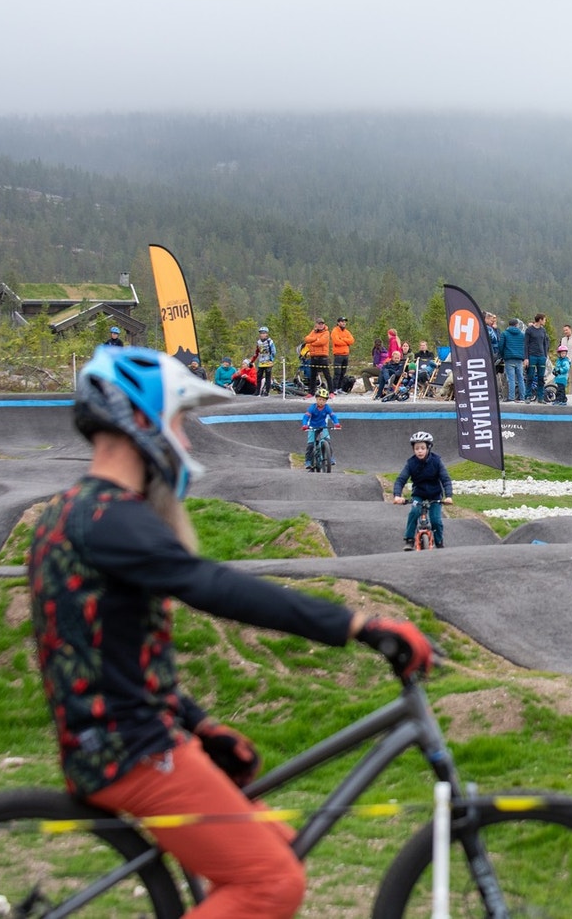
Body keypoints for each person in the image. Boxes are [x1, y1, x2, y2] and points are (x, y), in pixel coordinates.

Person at [27, 346, 431, 918]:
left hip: (123, 736)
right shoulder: (111, 520)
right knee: (271, 885)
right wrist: (358, 625)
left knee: (273, 849)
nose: (186, 443)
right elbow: (217, 588)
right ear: (140, 421)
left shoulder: (73, 513)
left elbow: (111, 655)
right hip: (131, 751)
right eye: (179, 424)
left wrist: (199, 726)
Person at [392, 430, 454, 549]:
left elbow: (445, 479)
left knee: (436, 520)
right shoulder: (411, 463)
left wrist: (449, 496)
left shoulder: (436, 462)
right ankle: (409, 540)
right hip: (419, 494)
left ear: (428, 448)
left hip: (435, 495)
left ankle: (439, 543)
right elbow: (400, 480)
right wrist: (397, 495)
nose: (419, 451)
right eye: (416, 448)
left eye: (422, 448)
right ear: (413, 450)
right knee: (414, 512)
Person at [299, 386, 339, 471]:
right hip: (312, 427)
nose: (321, 402)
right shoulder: (312, 408)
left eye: (324, 400)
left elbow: (333, 416)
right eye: (320, 399)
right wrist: (304, 425)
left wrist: (336, 423)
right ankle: (308, 461)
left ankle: (330, 458)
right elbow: (306, 417)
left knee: (327, 441)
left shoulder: (327, 407)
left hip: (323, 427)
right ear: (316, 399)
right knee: (310, 445)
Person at [498, 318, 527, 402]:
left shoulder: (504, 334)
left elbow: (501, 346)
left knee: (511, 379)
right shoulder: (522, 335)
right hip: (519, 359)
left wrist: (503, 355)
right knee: (520, 378)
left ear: (509, 324)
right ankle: (522, 397)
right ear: (517, 325)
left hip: (509, 358)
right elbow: (524, 346)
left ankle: (511, 397)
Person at [524, 313, 550, 403]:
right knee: (530, 376)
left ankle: (540, 397)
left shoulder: (543, 330)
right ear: (540, 320)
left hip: (541, 357)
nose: (545, 321)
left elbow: (545, 343)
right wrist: (526, 358)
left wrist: (545, 355)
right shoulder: (529, 330)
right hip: (532, 356)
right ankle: (527, 396)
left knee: (541, 378)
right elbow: (526, 344)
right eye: (544, 319)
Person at [301, 319, 331, 395]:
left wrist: (312, 343)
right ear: (316, 325)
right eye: (319, 324)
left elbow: (322, 342)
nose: (321, 325)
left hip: (323, 356)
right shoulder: (313, 332)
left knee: (327, 375)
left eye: (322, 324)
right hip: (313, 356)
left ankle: (332, 391)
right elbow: (306, 339)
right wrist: (316, 339)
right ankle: (311, 392)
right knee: (312, 375)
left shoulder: (326, 332)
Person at [328, 316, 355, 393]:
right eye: (342, 321)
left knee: (343, 372)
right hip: (338, 354)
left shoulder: (346, 331)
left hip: (346, 354)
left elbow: (352, 340)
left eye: (344, 322)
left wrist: (343, 340)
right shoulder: (335, 331)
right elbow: (336, 341)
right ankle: (334, 388)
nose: (344, 323)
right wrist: (346, 342)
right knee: (337, 373)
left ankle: (340, 388)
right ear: (338, 322)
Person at [253, 326, 277, 397]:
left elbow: (274, 351)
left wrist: (271, 359)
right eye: (261, 333)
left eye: (264, 333)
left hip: (268, 361)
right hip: (261, 362)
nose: (262, 334)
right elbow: (257, 352)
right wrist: (252, 361)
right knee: (259, 376)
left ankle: (267, 391)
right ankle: (257, 391)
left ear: (266, 334)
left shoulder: (270, 341)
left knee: (267, 377)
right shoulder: (258, 342)